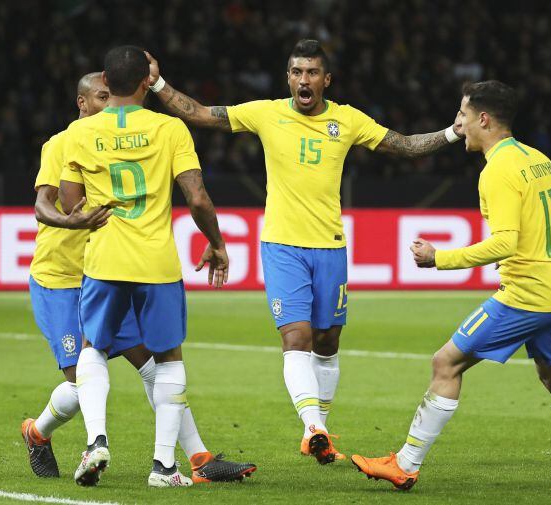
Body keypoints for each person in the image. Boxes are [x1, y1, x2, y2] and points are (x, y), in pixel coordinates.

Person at [144, 39, 463, 464]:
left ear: (326, 80)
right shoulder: (266, 112)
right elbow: (200, 113)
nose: (303, 79)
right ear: (288, 78)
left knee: (328, 342)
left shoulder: (347, 120)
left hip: (330, 246)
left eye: (312, 72)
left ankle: (320, 425)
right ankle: (314, 427)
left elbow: (402, 145)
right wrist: (157, 82)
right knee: (297, 337)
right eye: (296, 72)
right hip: (281, 246)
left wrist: (450, 133)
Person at [351, 80, 551, 492]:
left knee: (446, 363)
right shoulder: (538, 158)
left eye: (463, 115)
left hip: (527, 295)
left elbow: (506, 242)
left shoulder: (497, 170)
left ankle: (405, 464)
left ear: (484, 119)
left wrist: (440, 259)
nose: (459, 123)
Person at [22, 72, 255, 484]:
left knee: (153, 367)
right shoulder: (62, 143)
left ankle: (198, 457)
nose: (108, 102)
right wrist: (73, 222)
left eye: (111, 94)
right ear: (81, 102)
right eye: (100, 96)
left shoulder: (128, 136)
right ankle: (38, 433)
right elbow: (43, 206)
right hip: (59, 279)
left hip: (106, 272)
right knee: (79, 382)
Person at [58, 46, 229, 488]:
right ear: (143, 82)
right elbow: (197, 198)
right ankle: (164, 468)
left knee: (94, 348)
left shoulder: (79, 134)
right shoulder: (169, 129)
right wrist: (216, 243)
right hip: (155, 261)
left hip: (103, 258)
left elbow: (72, 205)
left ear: (107, 83)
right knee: (168, 357)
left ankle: (96, 441)